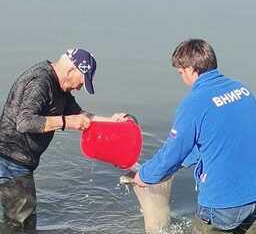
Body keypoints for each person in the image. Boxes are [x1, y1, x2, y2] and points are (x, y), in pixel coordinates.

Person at [134, 39, 256, 233]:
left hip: (223, 202)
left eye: (181, 72)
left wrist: (145, 175)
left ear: (191, 69)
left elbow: (172, 153)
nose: (182, 78)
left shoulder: (194, 104)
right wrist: (184, 162)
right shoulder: (242, 91)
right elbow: (219, 138)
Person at [0, 48, 127, 229]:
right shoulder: (41, 81)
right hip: (10, 159)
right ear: (71, 70)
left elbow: (79, 116)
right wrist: (66, 122)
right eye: (81, 82)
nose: (79, 88)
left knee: (20, 217)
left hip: (21, 161)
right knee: (21, 221)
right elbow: (24, 122)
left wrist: (112, 121)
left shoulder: (61, 89)